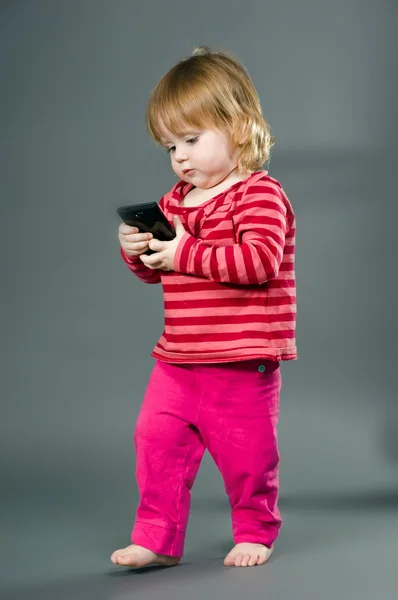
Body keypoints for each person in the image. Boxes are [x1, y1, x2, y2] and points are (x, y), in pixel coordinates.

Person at [111, 46, 297, 569]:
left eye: (192, 140)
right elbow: (158, 271)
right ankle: (157, 536)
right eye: (171, 146)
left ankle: (256, 529)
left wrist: (183, 250)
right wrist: (139, 252)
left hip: (241, 357)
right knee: (155, 441)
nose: (181, 157)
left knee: (247, 454)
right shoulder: (174, 202)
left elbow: (259, 261)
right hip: (179, 357)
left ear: (238, 127)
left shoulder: (258, 194)